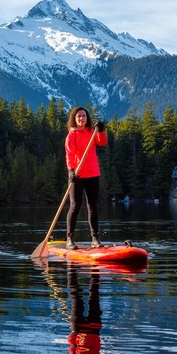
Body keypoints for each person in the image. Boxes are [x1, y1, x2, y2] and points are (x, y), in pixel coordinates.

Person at [65, 106, 108, 249]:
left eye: (84, 116)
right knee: (75, 206)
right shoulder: (71, 135)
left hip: (93, 174)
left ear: (87, 118)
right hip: (77, 174)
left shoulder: (92, 132)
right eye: (79, 116)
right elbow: (69, 155)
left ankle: (95, 238)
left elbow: (102, 142)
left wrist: (101, 130)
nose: (82, 118)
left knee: (92, 206)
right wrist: (71, 170)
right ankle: (70, 239)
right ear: (75, 119)